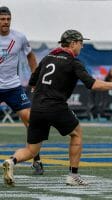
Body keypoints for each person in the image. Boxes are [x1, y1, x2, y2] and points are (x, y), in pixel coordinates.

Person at [2, 29, 112, 186]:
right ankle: (73, 175)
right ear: (73, 43)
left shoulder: (48, 57)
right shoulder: (73, 62)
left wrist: (36, 90)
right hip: (56, 106)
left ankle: (12, 160)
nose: (82, 47)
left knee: (32, 150)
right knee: (77, 133)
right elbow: (92, 84)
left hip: (37, 108)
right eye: (81, 43)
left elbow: (33, 80)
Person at [0, 6, 44, 175]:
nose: (5, 22)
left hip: (13, 87)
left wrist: (35, 79)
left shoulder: (19, 37)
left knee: (31, 120)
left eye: (8, 19)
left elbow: (31, 56)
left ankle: (36, 160)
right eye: (2, 19)